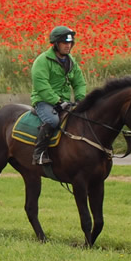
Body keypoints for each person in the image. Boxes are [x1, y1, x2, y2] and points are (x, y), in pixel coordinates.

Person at [31, 25, 87, 165]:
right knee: (53, 121)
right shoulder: (42, 61)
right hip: (44, 101)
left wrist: (81, 99)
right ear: (55, 44)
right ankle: (39, 154)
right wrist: (57, 101)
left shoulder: (71, 62)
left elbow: (79, 82)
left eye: (70, 43)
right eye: (64, 43)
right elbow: (41, 86)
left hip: (64, 101)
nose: (68, 46)